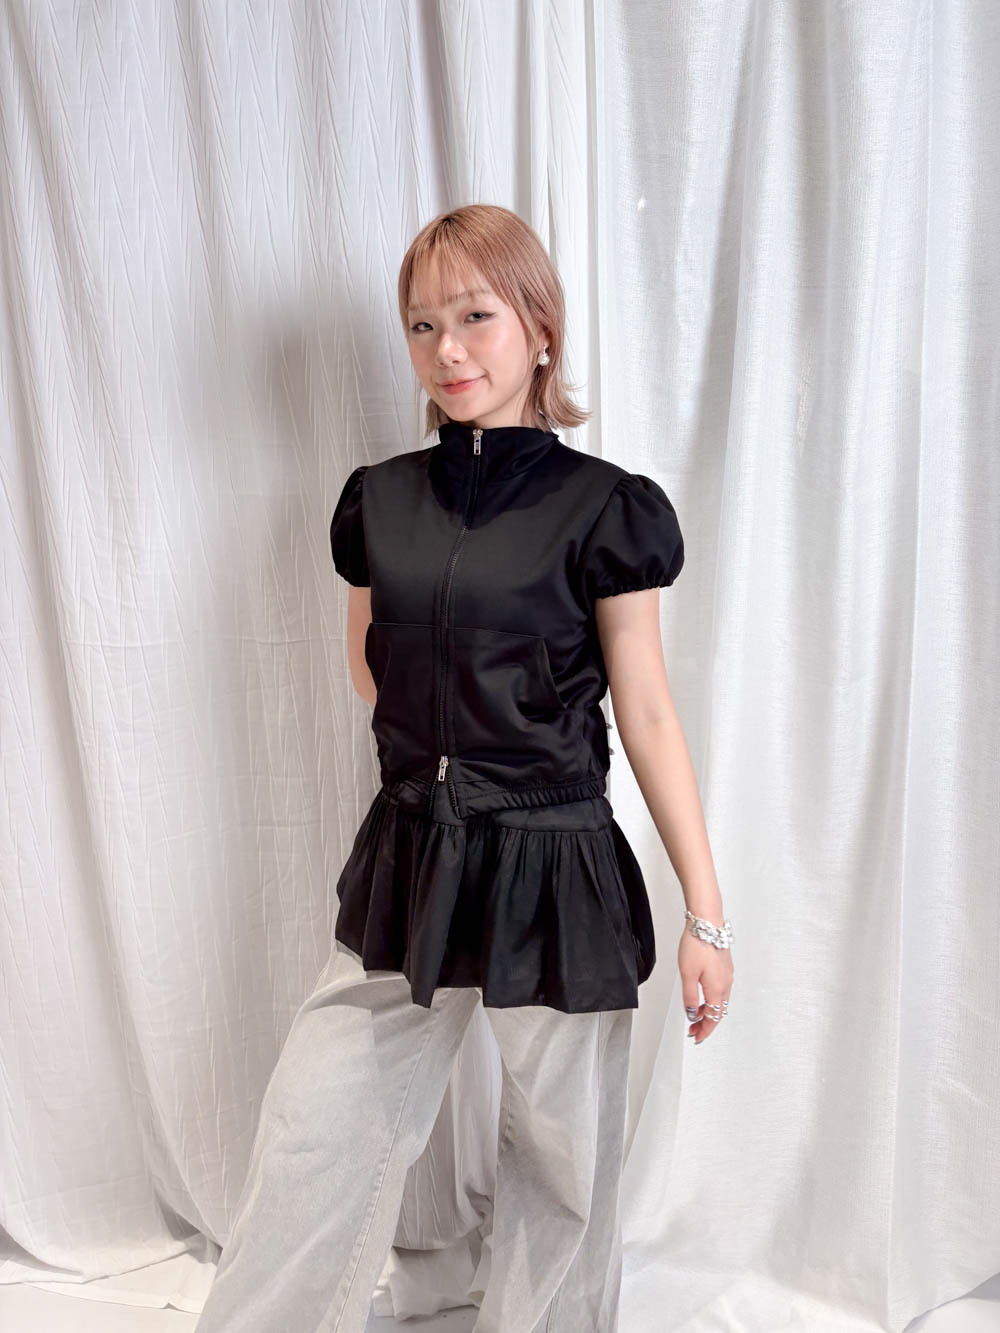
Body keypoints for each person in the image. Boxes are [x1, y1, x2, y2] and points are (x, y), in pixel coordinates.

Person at [196, 204, 734, 1333]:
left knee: (563, 1160)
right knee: (316, 1124)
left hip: (555, 856)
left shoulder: (604, 508)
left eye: (476, 316)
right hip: (413, 850)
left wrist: (705, 912)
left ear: (540, 329)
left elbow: (644, 709)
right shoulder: (380, 501)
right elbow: (372, 668)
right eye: (422, 324)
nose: (448, 349)